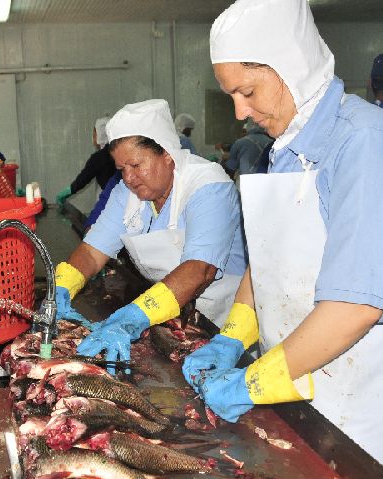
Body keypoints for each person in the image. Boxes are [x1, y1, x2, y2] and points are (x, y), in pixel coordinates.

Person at [182, 0, 383, 463]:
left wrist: (254, 382)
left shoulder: (362, 142)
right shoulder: (285, 148)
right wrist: (232, 334)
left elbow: (357, 304)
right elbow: (273, 259)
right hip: (298, 385)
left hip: (361, 409)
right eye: (232, 95)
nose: (239, 112)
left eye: (247, 91)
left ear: (290, 69)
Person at [54, 99, 246, 367]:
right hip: (166, 315)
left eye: (135, 165)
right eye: (121, 169)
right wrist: (61, 287)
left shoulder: (208, 186)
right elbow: (91, 251)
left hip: (223, 326)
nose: (129, 178)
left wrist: (132, 317)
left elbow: (200, 270)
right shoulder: (127, 193)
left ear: (167, 153)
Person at [55, 116, 115, 207]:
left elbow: (83, 179)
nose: (93, 138)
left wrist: (68, 191)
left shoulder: (99, 157)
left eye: (94, 134)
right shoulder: (117, 152)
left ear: (100, 135)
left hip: (109, 203)